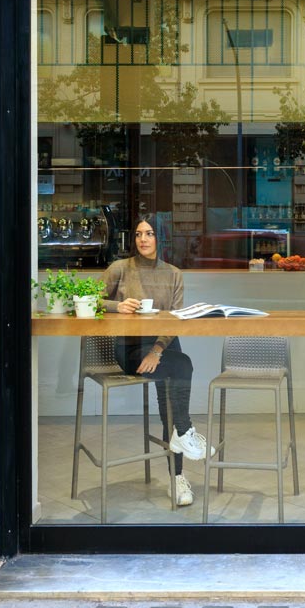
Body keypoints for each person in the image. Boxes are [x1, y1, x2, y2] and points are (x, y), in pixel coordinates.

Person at [102, 215, 209, 507]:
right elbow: (88, 300)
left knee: (171, 399)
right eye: (138, 234)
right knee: (182, 366)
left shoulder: (173, 274)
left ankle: (177, 478)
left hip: (162, 347)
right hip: (130, 348)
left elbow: (175, 319)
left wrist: (157, 350)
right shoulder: (120, 269)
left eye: (149, 234)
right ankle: (186, 432)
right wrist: (116, 306)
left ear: (159, 238)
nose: (143, 239)